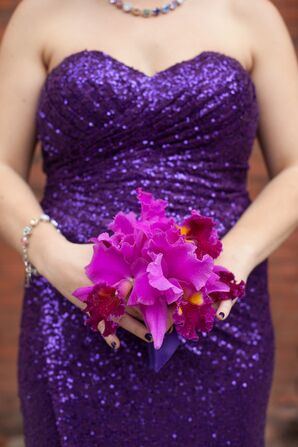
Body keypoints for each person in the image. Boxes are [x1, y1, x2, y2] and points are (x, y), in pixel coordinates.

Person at [0, 0, 297, 445]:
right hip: (74, 310)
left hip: (214, 314)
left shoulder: (250, 13)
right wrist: (52, 255)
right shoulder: (41, 13)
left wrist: (233, 260)